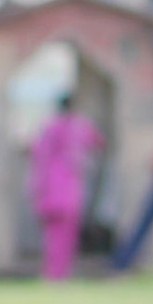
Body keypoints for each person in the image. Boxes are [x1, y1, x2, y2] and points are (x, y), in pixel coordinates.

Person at [29, 94, 103, 281]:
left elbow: (38, 155)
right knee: (67, 233)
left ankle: (52, 272)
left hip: (50, 186)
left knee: (52, 234)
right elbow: (99, 142)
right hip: (69, 187)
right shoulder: (80, 127)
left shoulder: (49, 128)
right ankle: (62, 272)